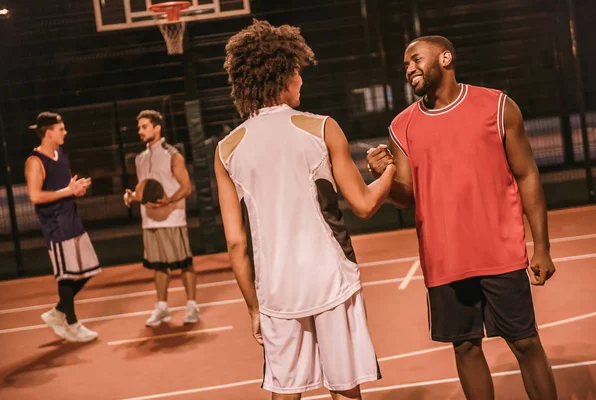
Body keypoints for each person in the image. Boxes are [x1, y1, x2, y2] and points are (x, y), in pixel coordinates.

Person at [367, 36, 558, 400]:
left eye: (416, 60)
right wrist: (386, 179)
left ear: (446, 58)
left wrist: (542, 247)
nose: (409, 69)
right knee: (465, 348)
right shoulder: (402, 126)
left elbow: (527, 174)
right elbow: (407, 197)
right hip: (445, 261)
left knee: (526, 343)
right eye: (405, 65)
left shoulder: (497, 106)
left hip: (499, 253)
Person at [216, 20, 396, 399]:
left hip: (276, 289)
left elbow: (236, 243)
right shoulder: (322, 128)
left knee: (286, 390)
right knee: (344, 387)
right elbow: (363, 204)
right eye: (297, 71)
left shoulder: (227, 149)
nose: (302, 80)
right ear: (282, 74)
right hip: (331, 276)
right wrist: (390, 172)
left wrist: (254, 308)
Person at [25, 112, 101, 343]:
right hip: (56, 227)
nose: (65, 132)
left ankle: (57, 312)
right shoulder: (34, 161)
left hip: (73, 221)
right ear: (49, 133)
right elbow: (35, 196)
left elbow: (65, 186)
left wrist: (76, 188)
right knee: (66, 277)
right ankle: (71, 323)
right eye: (61, 129)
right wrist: (68, 191)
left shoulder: (61, 155)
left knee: (88, 270)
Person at [123, 110, 200, 327]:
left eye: (144, 126)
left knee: (185, 264)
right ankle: (162, 308)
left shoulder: (173, 155)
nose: (140, 131)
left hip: (173, 219)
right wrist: (131, 196)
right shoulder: (139, 159)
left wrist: (169, 200)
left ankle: (192, 306)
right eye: (139, 127)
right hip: (149, 221)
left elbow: (186, 188)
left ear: (157, 127)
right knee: (158, 267)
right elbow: (144, 191)